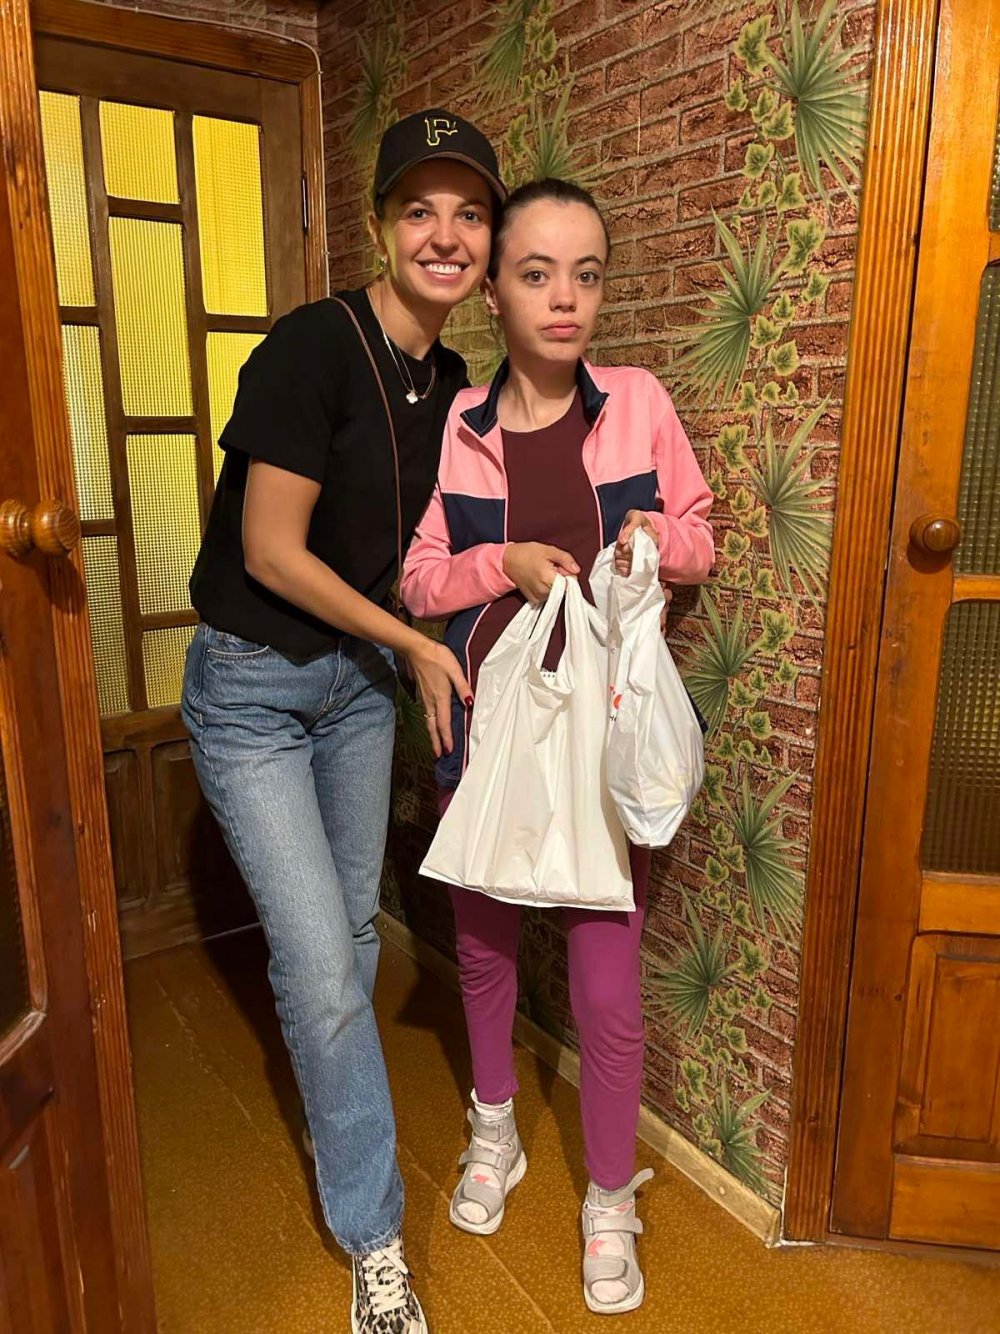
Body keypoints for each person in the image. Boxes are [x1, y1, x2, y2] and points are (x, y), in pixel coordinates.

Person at [181, 109, 505, 1334]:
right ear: (378, 225)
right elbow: (270, 549)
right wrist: (416, 644)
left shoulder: (454, 386)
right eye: (419, 209)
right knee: (322, 967)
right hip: (255, 688)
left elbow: (445, 543)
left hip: (357, 687)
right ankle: (375, 1242)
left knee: (352, 942)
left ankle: (339, 1116)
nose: (444, 235)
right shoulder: (312, 345)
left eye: (468, 214)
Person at [401, 178, 714, 1316]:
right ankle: (495, 1128)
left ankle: (609, 1196)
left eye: (586, 274)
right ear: (493, 292)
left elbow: (703, 538)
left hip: (603, 739)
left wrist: (656, 538)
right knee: (482, 946)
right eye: (536, 274)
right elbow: (419, 577)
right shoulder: (462, 425)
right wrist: (506, 564)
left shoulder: (636, 403)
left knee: (605, 981)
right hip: (489, 729)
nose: (564, 297)